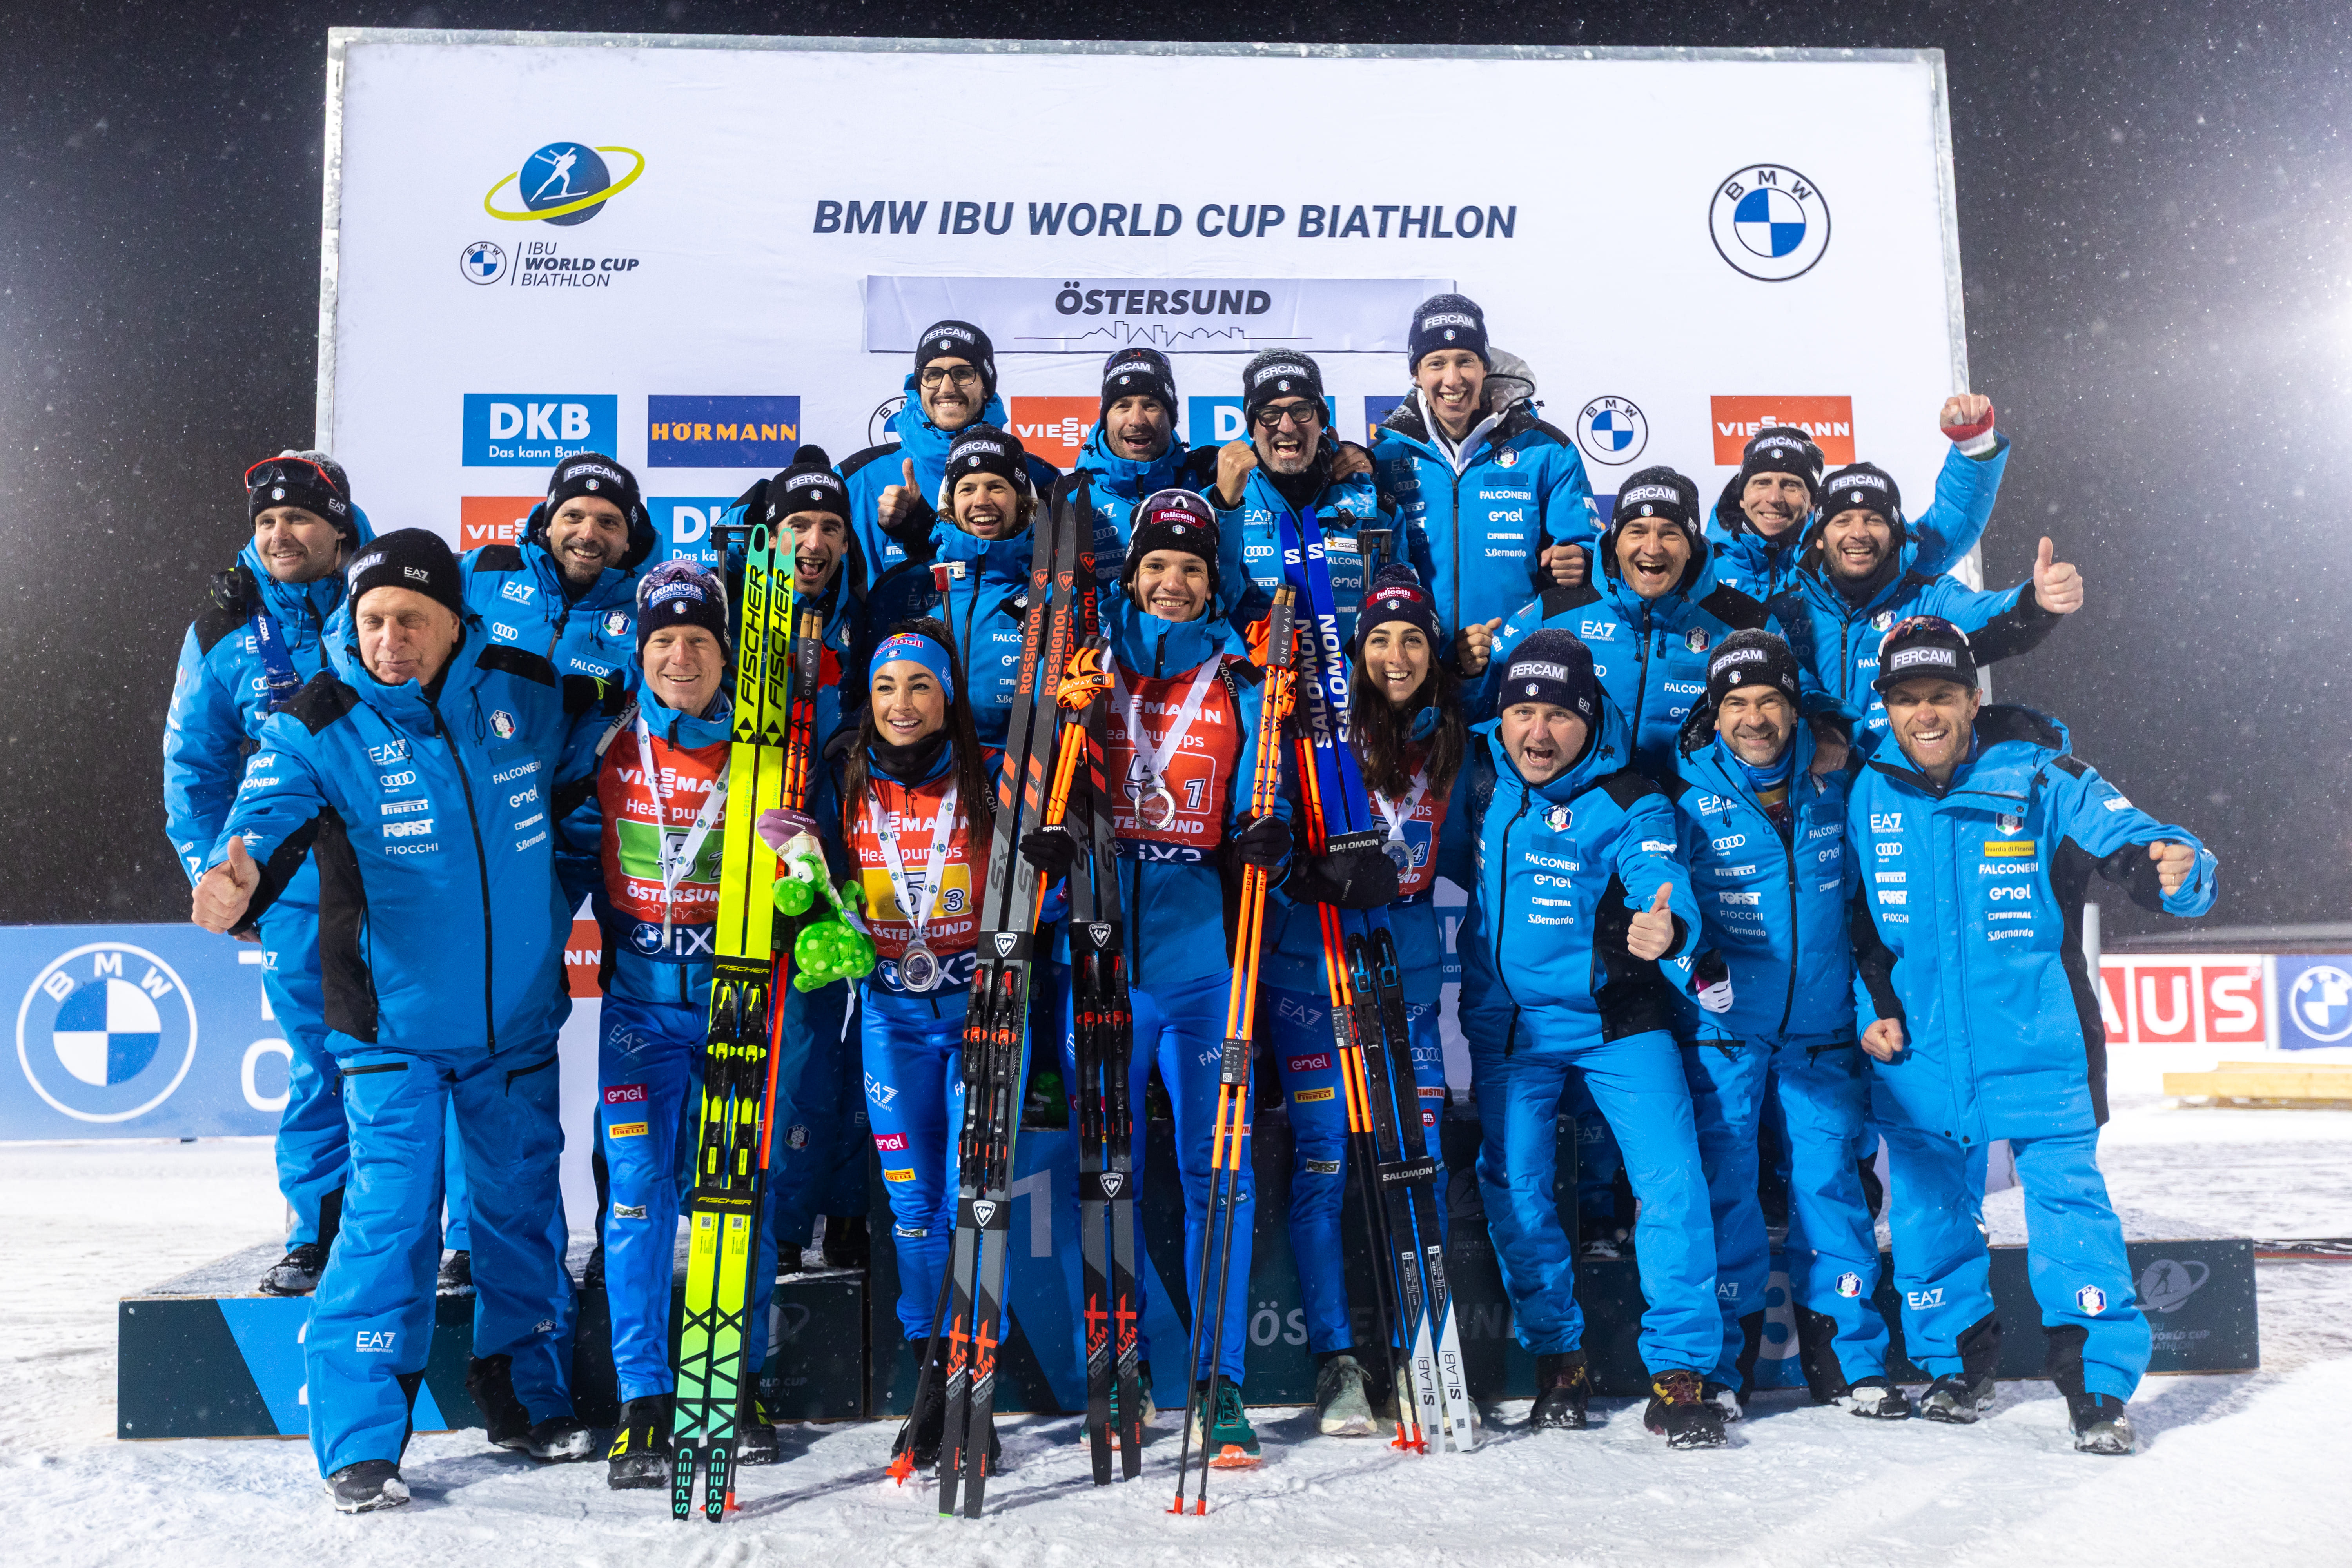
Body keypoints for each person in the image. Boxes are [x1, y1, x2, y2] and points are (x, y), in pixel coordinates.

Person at [189, 530, 608, 1512]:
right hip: (392, 1032)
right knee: (389, 1226)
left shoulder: (527, 691)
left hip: (514, 1027)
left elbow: (600, 758)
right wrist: (232, 873)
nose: (390, 640)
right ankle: (363, 1438)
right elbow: (261, 818)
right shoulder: (317, 720)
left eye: (412, 620)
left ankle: (526, 1393)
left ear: (456, 622)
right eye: (373, 620)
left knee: (520, 1217)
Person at [1847, 617, 2216, 1455]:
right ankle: (1954, 1367)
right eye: (1907, 699)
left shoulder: (2045, 777)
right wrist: (1874, 1004)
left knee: (2071, 1215)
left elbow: (2141, 845)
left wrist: (2179, 866)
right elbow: (1859, 921)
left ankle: (2097, 1387)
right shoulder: (1867, 789)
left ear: (1972, 698)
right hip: (1921, 1057)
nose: (1925, 715)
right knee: (1931, 1218)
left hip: (2040, 1046)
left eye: (1942, 695)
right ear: (1888, 708)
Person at [1020, 492, 1290, 1468]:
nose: (1173, 583)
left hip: (1205, 960)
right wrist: (1059, 761)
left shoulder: (1245, 676)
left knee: (1219, 1175)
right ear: (1131, 575)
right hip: (1100, 952)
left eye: (1192, 569)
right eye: (1157, 567)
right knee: (1108, 1172)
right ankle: (1120, 1359)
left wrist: (1269, 835)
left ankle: (1220, 1382)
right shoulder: (1089, 665)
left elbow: (1268, 795)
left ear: (1213, 582)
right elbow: (1034, 779)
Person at [563, 562, 832, 1487]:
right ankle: (643, 1397)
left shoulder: (767, 753)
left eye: (700, 641)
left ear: (727, 654)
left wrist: (807, 885)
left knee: (736, 1193)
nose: (681, 657)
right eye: (665, 641)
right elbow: (560, 855)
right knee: (638, 1194)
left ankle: (736, 1381)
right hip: (639, 1011)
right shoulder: (605, 742)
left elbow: (812, 875)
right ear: (642, 652)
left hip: (739, 1000)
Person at [1455, 630, 1727, 1449]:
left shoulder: (1631, 797)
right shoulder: (1475, 774)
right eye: (1523, 713)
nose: (1538, 734)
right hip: (1514, 1025)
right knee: (1517, 1186)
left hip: (1618, 1020)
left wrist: (1669, 927)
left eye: (1559, 717)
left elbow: (1659, 874)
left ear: (1592, 718)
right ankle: (1559, 1358)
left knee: (1673, 1182)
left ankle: (1680, 1373)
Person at [1660, 630, 1898, 1421]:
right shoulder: (1683, 792)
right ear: (1714, 712)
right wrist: (1693, 963)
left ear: (1797, 710)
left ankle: (1850, 1358)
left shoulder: (1842, 778)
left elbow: (1864, 902)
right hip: (1725, 1032)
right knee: (1726, 1192)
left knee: (1830, 1187)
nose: (1754, 718)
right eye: (1736, 703)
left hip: (1823, 1030)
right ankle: (1723, 1367)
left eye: (1770, 701)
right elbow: (1663, 900)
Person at [448, 450, 658, 1293]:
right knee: (496, 1031)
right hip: (507, 839)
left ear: (631, 536)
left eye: (608, 521)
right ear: (546, 519)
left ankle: (625, 1230)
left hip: (621, 835)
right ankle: (477, 1234)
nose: (589, 532)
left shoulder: (651, 604)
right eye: (574, 515)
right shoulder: (483, 573)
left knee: (643, 1029)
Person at [163, 450, 373, 1296]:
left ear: (339, 527)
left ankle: (457, 1242)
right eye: (266, 521)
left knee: (440, 1056)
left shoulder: (390, 595)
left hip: (403, 869)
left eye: (299, 518)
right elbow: (194, 767)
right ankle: (317, 1233)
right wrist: (220, 876)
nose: (280, 534)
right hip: (296, 885)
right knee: (320, 1060)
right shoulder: (225, 625)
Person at [1260, 566, 1461, 1437]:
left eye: (1413, 638)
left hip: (1403, 976)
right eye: (1379, 639)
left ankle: (1425, 1348)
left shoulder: (1450, 742)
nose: (1397, 654)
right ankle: (1337, 1361)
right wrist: (1307, 871)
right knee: (1323, 1164)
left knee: (1417, 1160)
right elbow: (1260, 830)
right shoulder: (1312, 736)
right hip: (1310, 972)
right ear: (1355, 654)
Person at [820, 622, 1003, 1471]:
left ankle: (976, 1387)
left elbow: (1047, 879)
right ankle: (932, 1379)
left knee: (976, 1201)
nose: (902, 703)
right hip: (891, 1014)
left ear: (948, 694)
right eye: (887, 686)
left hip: (980, 1013)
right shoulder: (842, 774)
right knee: (913, 1209)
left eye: (920, 685)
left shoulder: (993, 774)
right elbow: (817, 880)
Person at [718, 447, 873, 1276]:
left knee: (833, 1044)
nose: (814, 543)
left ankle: (828, 1215)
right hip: (745, 863)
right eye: (798, 526)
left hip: (841, 856)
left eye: (830, 529)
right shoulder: (729, 608)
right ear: (770, 533)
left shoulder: (862, 615)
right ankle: (757, 1217)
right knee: (764, 1050)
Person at [1481, 466, 1782, 780]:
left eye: (1669, 533)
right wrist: (1471, 672)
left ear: (1691, 547)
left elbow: (1793, 707)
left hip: (1700, 804)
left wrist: (1821, 725)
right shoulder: (1554, 612)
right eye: (1636, 531)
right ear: (1615, 542)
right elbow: (1486, 700)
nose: (1652, 548)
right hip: (1584, 804)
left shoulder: (1749, 625)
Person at [1769, 463, 2082, 751]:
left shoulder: (1927, 598)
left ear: (1894, 536)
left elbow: (1991, 619)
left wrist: (2037, 601)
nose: (1859, 533)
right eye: (1843, 521)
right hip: (1808, 787)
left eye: (1874, 520)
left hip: (1899, 787)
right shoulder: (1785, 611)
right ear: (1820, 537)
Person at [1370, 293, 1595, 648]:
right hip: (1417, 662)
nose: (1452, 379)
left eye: (1466, 361)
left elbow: (1588, 545)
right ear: (1416, 374)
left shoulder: (1545, 450)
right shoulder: (1384, 456)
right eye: (1436, 363)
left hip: (1517, 657)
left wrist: (1583, 558)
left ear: (1485, 367)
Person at [1208, 348, 1428, 645]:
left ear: (1322, 420)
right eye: (1269, 414)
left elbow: (1399, 611)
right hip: (1251, 675)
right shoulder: (1221, 504)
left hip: (1347, 675)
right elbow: (1210, 607)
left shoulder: (1375, 507)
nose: (1287, 427)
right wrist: (1224, 509)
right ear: (1252, 427)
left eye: (1301, 410)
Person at [1705, 400, 2009, 603]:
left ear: (1812, 502)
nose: (1774, 498)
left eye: (1791, 485)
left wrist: (1974, 446)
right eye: (1761, 483)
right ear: (1741, 497)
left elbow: (1944, 533)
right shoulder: (1698, 565)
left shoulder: (1849, 555)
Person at [866, 424, 1049, 746]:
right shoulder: (904, 588)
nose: (981, 501)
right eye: (967, 489)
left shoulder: (1052, 594)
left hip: (1015, 772)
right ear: (949, 503)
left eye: (996, 487)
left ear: (1022, 501)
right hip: (928, 771)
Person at [851, 319, 1062, 577]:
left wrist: (921, 525)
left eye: (963, 374)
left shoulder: (1041, 480)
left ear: (986, 388)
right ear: (918, 387)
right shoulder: (857, 478)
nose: (947, 388)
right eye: (932, 375)